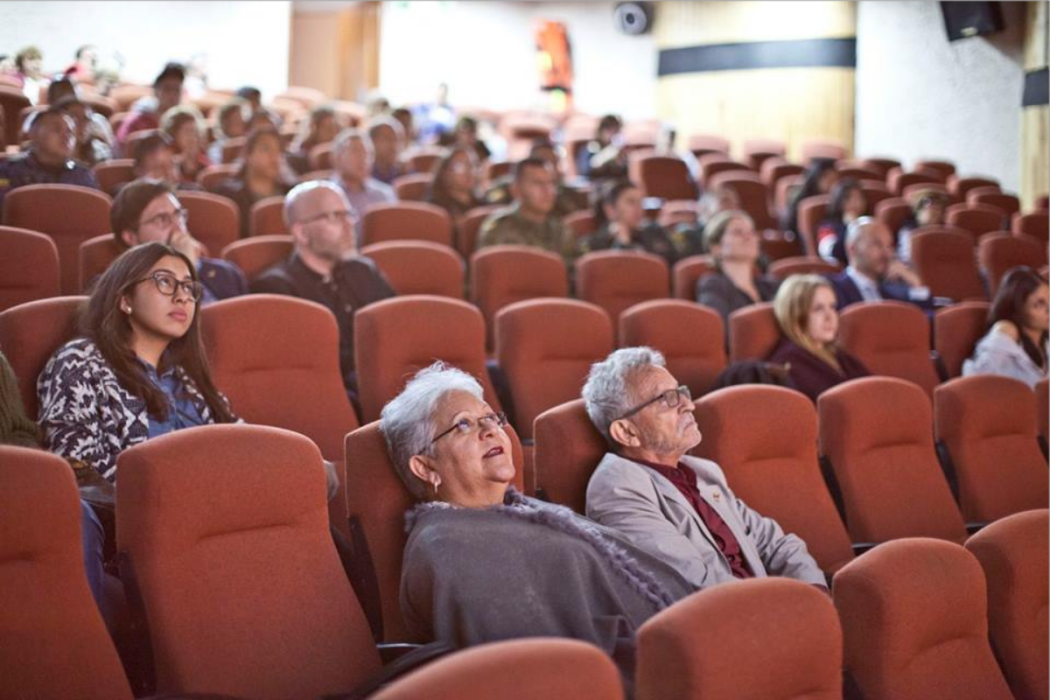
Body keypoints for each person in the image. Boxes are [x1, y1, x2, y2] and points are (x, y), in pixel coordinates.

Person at [383, 362, 694, 680]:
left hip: (679, 640)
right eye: (462, 425)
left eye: (490, 418)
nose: (491, 430)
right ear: (424, 467)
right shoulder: (446, 546)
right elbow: (529, 669)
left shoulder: (523, 508)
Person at [583, 347, 829, 590]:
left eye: (681, 392)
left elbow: (776, 544)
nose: (689, 405)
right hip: (728, 620)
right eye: (666, 399)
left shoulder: (702, 472)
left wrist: (815, 591)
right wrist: (787, 612)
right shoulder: (618, 488)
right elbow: (692, 584)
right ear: (627, 432)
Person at [251, 181, 395, 391]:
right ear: (302, 232)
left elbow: (397, 331)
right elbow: (306, 371)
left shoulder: (363, 270)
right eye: (335, 217)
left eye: (349, 214)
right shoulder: (277, 288)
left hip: (389, 383)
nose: (349, 226)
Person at [110, 179, 247, 302]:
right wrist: (186, 271)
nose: (179, 227)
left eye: (179, 215)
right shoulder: (117, 288)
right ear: (131, 238)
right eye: (162, 219)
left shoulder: (227, 273)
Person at [767, 274, 870, 402]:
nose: (830, 317)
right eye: (818, 309)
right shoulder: (787, 363)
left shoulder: (837, 354)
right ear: (796, 315)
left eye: (832, 307)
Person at [0, 106, 99, 213]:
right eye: (57, 130)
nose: (66, 137)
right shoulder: (8, 171)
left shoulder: (84, 175)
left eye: (70, 132)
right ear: (33, 135)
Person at [963, 267, 1049, 387]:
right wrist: (1000, 337)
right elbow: (973, 383)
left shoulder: (1046, 344)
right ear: (1018, 309)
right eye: (1039, 304)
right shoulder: (1005, 341)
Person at [477, 157, 573, 259]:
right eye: (538, 183)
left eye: (551, 183)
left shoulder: (559, 229)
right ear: (516, 190)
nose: (548, 191)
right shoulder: (499, 228)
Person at [827, 217, 932, 309]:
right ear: (852, 249)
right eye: (877, 244)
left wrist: (916, 283)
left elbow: (926, 316)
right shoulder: (834, 290)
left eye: (889, 246)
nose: (887, 254)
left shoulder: (893, 291)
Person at [695, 210, 779, 322]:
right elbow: (721, 330)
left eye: (751, 232)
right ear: (716, 247)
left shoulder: (771, 285)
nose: (748, 237)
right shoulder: (713, 285)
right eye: (738, 232)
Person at [213, 128, 293, 238]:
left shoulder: (291, 195)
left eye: (278, 151)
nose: (274, 157)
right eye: (266, 149)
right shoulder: (229, 195)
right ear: (247, 155)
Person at [577, 179, 677, 265]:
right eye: (631, 202)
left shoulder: (654, 232)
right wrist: (623, 243)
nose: (639, 209)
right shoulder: (594, 244)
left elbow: (672, 267)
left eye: (641, 202)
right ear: (610, 209)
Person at [328, 128, 398, 245]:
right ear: (337, 158)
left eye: (368, 154)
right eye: (356, 152)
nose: (363, 158)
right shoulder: (326, 196)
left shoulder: (384, 194)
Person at [117, 62, 185, 149]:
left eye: (176, 89)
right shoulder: (136, 122)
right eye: (167, 88)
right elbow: (122, 150)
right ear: (156, 91)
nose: (172, 94)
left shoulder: (185, 124)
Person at [782, 158, 839, 251]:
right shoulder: (801, 200)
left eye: (835, 179)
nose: (832, 184)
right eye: (828, 179)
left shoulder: (836, 200)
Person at [426, 146, 483, 224]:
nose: (469, 171)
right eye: (460, 166)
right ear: (446, 172)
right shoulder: (436, 209)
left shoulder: (481, 204)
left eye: (473, 165)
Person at [816, 178, 866, 265]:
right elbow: (832, 253)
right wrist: (851, 226)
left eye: (859, 198)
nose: (856, 203)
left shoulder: (869, 222)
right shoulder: (827, 227)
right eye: (849, 199)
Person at [897, 189, 949, 265]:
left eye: (939, 208)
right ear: (918, 210)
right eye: (931, 205)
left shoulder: (945, 231)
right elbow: (906, 260)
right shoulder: (908, 231)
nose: (936, 210)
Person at [161, 105, 210, 185]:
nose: (193, 137)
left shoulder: (203, 162)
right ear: (173, 135)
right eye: (187, 132)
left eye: (196, 132)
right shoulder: (166, 164)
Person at [287, 105, 341, 175]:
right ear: (314, 128)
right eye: (328, 129)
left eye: (335, 128)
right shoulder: (299, 156)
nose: (333, 133)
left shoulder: (338, 155)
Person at [576, 114, 628, 182]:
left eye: (616, 130)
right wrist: (601, 163)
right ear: (601, 131)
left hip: (614, 183)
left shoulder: (618, 149)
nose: (613, 134)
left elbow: (624, 171)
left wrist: (619, 163)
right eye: (609, 130)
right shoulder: (592, 147)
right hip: (596, 184)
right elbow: (585, 170)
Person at [207, 98, 249, 165]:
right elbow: (217, 167)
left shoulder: (250, 142)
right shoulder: (216, 148)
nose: (241, 122)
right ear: (225, 123)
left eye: (242, 118)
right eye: (236, 119)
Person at [368, 117, 406, 185]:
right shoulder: (364, 175)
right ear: (372, 142)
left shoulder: (405, 172)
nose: (394, 145)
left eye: (397, 139)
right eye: (388, 138)